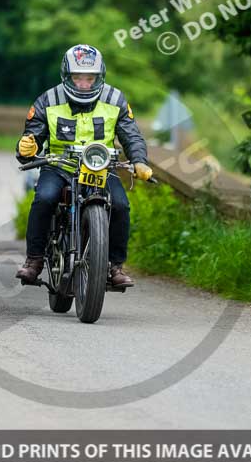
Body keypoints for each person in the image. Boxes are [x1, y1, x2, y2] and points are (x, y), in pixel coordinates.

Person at [15, 44, 153, 288]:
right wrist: (27, 148)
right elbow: (32, 137)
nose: (84, 83)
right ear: (67, 76)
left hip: (101, 168)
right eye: (78, 77)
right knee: (44, 198)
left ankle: (114, 266)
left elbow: (131, 135)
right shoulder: (47, 100)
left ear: (100, 77)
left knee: (120, 205)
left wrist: (139, 161)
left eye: (90, 78)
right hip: (59, 166)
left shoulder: (116, 99)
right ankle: (34, 260)